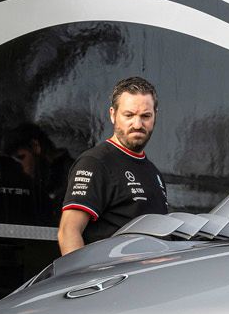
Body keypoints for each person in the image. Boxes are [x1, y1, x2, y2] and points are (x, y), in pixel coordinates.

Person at [58, 76, 170, 253]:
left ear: (155, 116)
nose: (137, 124)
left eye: (145, 116)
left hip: (150, 277)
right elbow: (68, 232)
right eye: (129, 115)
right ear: (113, 114)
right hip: (114, 278)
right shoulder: (95, 163)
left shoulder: (154, 173)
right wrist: (85, 280)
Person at [4, 121, 73, 218]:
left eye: (21, 158)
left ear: (35, 146)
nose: (19, 167)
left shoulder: (72, 176)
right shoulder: (42, 178)